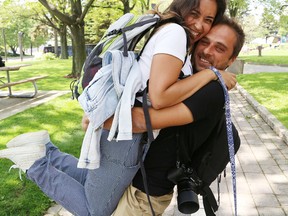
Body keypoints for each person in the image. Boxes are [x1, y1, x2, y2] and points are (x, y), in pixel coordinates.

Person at [0, 0, 232, 215]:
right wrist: (212, 74)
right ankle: (36, 163)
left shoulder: (169, 30)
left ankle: (45, 150)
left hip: (123, 132)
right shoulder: (176, 33)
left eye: (208, 20)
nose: (200, 24)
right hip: (125, 138)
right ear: (182, 7)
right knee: (95, 211)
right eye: (195, 14)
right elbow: (159, 97)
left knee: (88, 181)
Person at [111, 15, 245, 215]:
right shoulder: (192, 79)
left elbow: (141, 121)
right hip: (134, 180)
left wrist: (98, 120)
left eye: (220, 48)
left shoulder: (213, 91)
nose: (207, 51)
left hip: (145, 196)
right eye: (205, 42)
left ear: (231, 59)